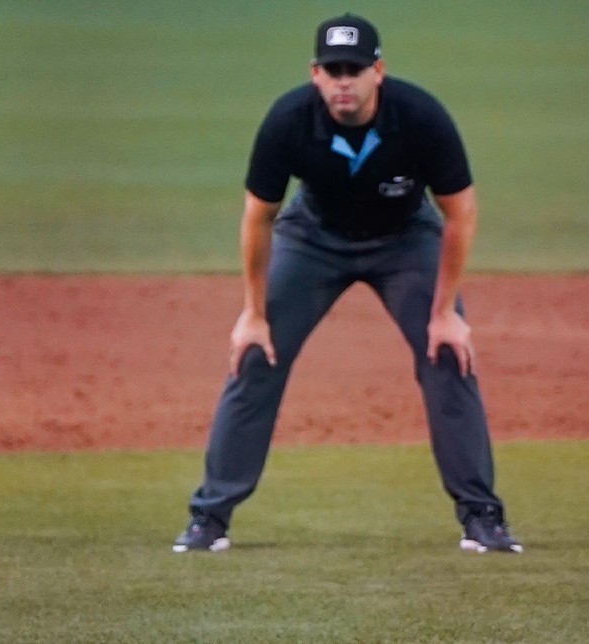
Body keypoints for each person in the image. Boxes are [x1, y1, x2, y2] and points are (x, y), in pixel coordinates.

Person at [171, 13, 520, 555]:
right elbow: (257, 218)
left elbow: (461, 211)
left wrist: (445, 309)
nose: (343, 81)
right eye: (332, 70)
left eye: (354, 69)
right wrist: (253, 312)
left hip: (406, 240)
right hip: (314, 238)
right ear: (315, 74)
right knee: (256, 353)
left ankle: (482, 517)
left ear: (377, 71)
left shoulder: (419, 117)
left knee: (448, 353)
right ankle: (209, 518)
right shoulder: (288, 120)